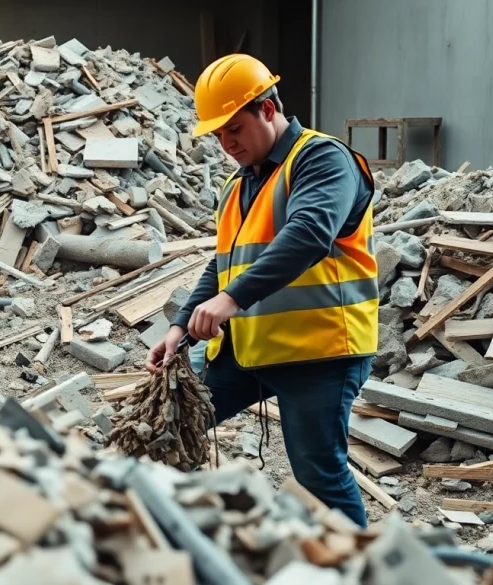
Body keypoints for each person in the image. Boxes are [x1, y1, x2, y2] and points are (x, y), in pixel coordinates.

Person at [146, 54, 379, 527]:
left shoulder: (322, 159)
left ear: (267, 110)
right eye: (217, 134)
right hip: (248, 352)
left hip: (320, 354)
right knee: (166, 426)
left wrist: (229, 301)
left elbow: (310, 234)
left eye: (234, 129)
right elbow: (224, 265)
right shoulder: (239, 185)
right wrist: (179, 329)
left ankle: (358, 569)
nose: (226, 143)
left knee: (320, 477)